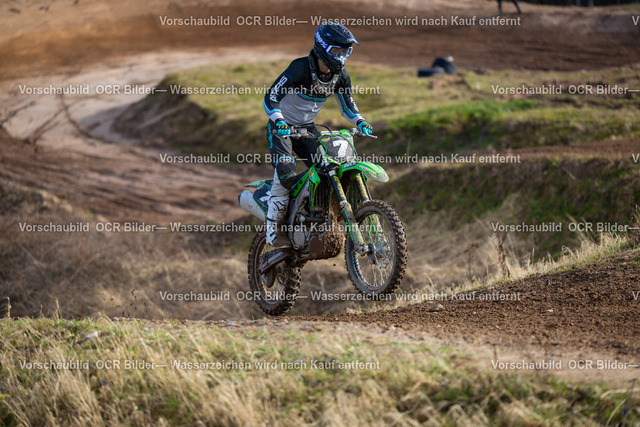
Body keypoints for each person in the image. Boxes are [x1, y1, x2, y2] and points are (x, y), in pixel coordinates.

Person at [262, 23, 373, 248]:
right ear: (322, 48)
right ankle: (273, 229)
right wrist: (279, 120)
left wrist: (360, 121)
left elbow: (347, 106)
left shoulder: (341, 76)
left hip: (307, 129)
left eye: (346, 52)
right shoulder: (299, 68)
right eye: (337, 51)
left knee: (328, 167)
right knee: (285, 170)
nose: (341, 57)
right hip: (280, 126)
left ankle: (316, 215)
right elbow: (271, 97)